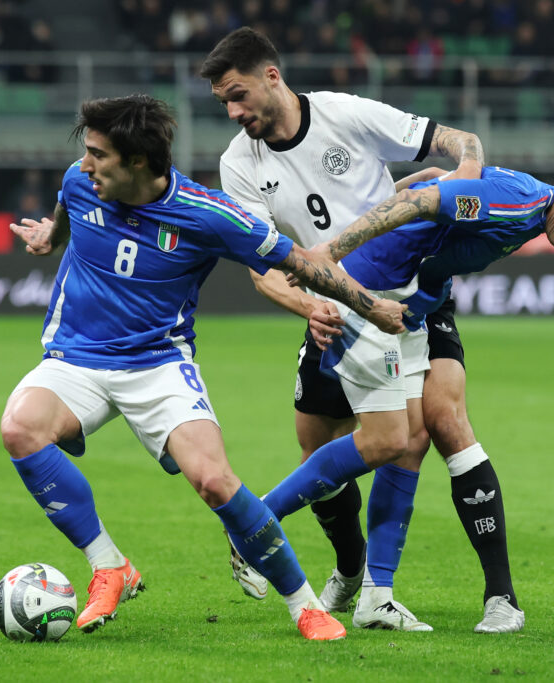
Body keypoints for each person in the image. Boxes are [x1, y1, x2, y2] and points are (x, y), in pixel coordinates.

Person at [0, 94, 411, 641]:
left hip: (157, 365)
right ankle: (110, 565)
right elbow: (66, 209)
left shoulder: (208, 215)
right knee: (19, 429)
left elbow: (296, 262)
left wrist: (370, 305)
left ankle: (305, 605)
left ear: (140, 162)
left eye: (100, 155)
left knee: (216, 482)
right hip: (76, 356)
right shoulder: (81, 181)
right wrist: (51, 238)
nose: (87, 165)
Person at [274, 160, 554, 634]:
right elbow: (427, 200)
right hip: (377, 288)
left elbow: (435, 184)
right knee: (329, 439)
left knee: (433, 425)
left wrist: (432, 180)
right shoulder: (517, 203)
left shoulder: (533, 210)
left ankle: (483, 597)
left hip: (421, 301)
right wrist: (329, 251)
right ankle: (328, 556)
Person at [200, 27, 492, 632]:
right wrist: (313, 309)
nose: (233, 112)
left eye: (238, 96)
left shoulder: (345, 113)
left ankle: (384, 590)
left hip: (406, 298)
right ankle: (353, 569)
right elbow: (265, 270)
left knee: (411, 432)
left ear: (271, 77)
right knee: (315, 439)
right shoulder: (238, 163)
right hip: (332, 312)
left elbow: (457, 139)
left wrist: (467, 167)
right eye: (224, 103)